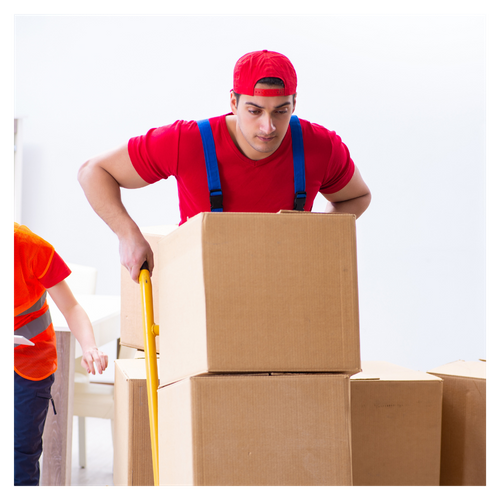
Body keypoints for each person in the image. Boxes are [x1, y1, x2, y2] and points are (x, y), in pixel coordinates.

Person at [78, 49, 371, 283]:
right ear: (233, 102)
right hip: (201, 295)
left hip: (285, 292)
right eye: (254, 111)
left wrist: (316, 235)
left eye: (281, 111)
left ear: (294, 103)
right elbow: (93, 171)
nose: (268, 126)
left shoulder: (320, 146)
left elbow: (357, 196)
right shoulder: (187, 141)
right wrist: (128, 235)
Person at [11, 222, 109, 488]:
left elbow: (72, 308)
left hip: (31, 365)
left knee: (20, 454)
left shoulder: (31, 248)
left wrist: (89, 347)